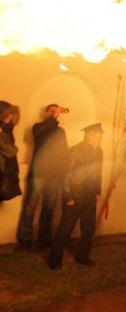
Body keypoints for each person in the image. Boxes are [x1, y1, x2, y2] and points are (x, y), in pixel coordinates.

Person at [48, 123, 104, 270]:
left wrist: (98, 191)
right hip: (75, 196)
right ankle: (55, 259)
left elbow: (98, 174)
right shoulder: (75, 151)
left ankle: (83, 256)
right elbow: (66, 175)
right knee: (65, 229)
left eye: (100, 135)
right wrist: (68, 197)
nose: (100, 137)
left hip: (90, 196)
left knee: (88, 229)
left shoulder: (99, 152)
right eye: (98, 134)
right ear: (89, 135)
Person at [18, 103, 69, 249]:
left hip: (54, 175)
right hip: (38, 173)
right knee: (30, 207)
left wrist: (63, 173)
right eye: (52, 111)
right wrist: (52, 118)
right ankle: (25, 237)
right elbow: (41, 137)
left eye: (56, 111)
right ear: (46, 113)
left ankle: (44, 237)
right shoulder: (38, 127)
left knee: (49, 208)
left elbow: (63, 152)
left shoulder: (60, 131)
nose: (55, 113)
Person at [0, 100, 21, 204]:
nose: (11, 116)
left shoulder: (6, 130)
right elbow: (11, 151)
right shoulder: (2, 132)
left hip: (5, 172)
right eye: (8, 114)